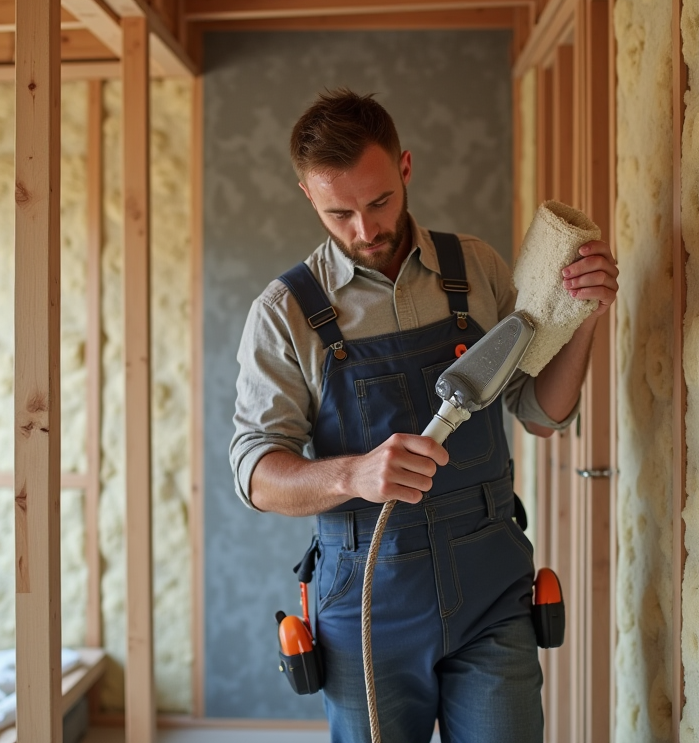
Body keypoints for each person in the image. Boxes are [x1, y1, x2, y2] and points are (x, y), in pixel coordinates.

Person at [229, 89, 619, 743]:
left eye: (379, 201)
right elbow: (257, 476)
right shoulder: (285, 313)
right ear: (307, 196)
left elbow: (541, 415)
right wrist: (353, 475)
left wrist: (583, 319)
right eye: (339, 213)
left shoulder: (476, 269)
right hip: (365, 608)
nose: (365, 230)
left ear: (405, 167)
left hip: (492, 587)